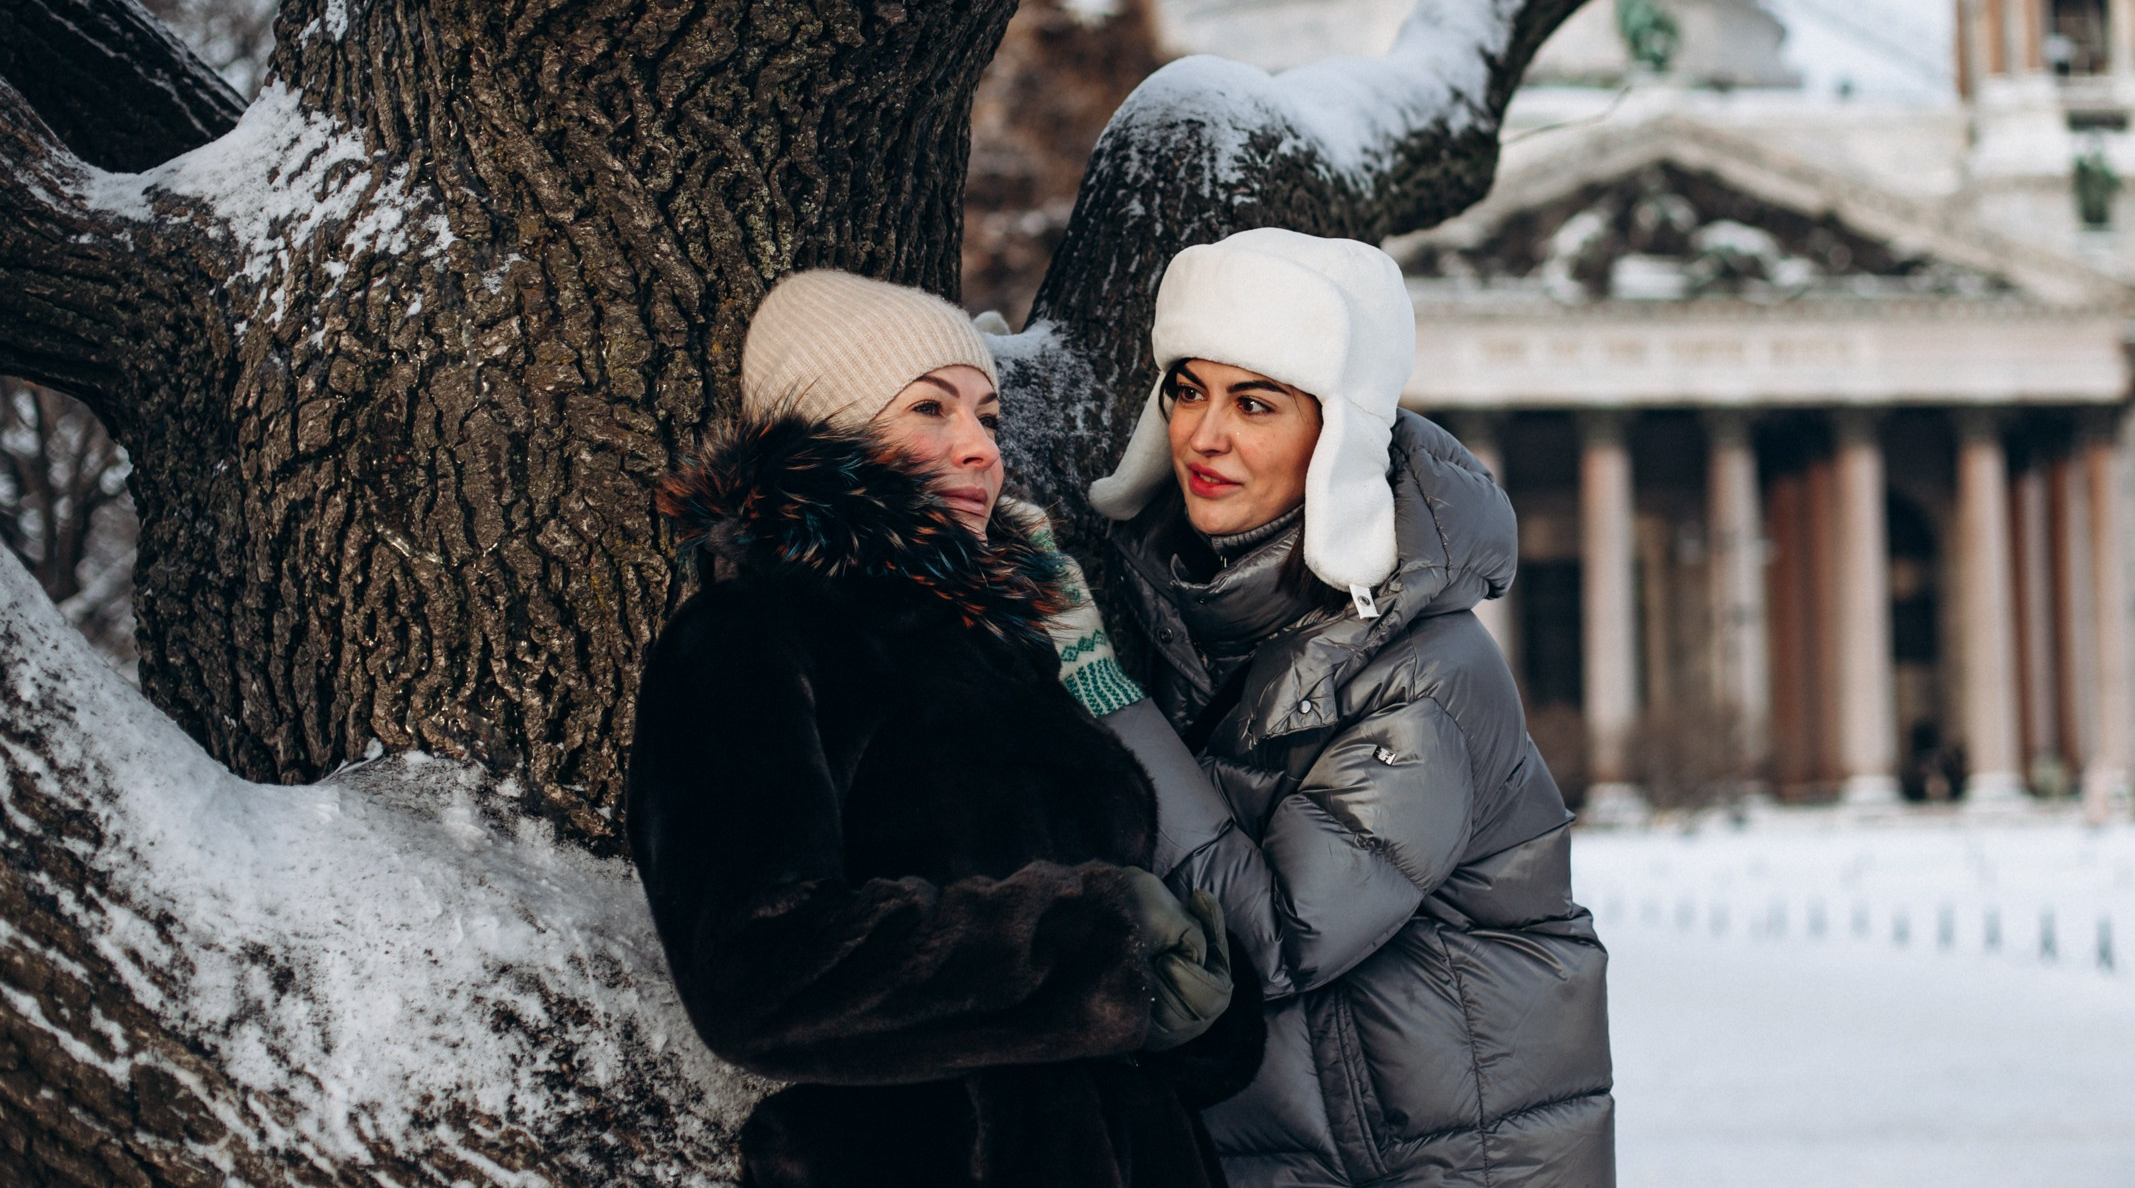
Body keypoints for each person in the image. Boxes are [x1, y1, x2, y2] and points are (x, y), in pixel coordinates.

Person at [627, 269, 1259, 1188]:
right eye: (931, 408)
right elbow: (758, 975)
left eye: (989, 418)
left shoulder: (1002, 652)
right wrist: (1096, 944)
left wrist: (1202, 1011)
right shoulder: (748, 640)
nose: (979, 450)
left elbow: (1108, 990)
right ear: (829, 437)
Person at [1069, 228, 1615, 1188]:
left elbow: (1269, 941)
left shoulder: (1427, 675)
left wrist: (1103, 697)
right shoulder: (1201, 612)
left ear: (1338, 437)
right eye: (1187, 389)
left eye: (1257, 403)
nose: (1206, 434)